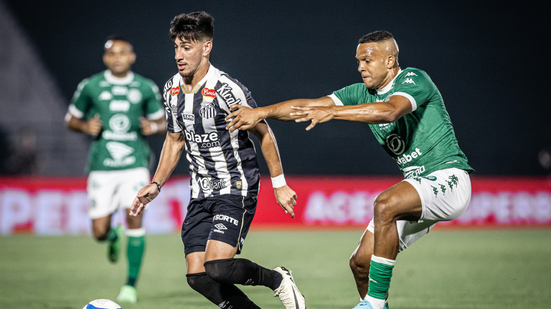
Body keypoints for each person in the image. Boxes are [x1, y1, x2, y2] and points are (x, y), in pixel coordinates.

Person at [225, 30, 474, 309]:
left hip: (448, 178)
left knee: (384, 204)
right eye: (358, 61)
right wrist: (262, 113)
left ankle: (375, 304)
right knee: (360, 263)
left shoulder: (414, 79)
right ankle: (374, 303)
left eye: (367, 60)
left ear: (390, 61)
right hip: (418, 186)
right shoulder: (360, 93)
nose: (360, 67)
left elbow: (389, 110)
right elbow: (307, 106)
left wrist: (333, 112)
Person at [130, 12, 306, 309]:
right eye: (176, 47)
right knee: (198, 276)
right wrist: (156, 183)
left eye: (187, 47)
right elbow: (174, 140)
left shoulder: (226, 90)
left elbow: (264, 133)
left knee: (218, 268)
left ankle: (277, 279)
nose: (179, 55)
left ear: (206, 47)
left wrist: (279, 185)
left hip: (235, 187)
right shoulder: (171, 89)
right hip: (200, 192)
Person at [64, 35, 166, 303]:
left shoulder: (144, 87)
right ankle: (111, 236)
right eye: (112, 53)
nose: (117, 57)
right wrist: (85, 126)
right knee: (98, 232)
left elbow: (163, 122)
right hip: (102, 167)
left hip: (134, 165)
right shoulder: (91, 86)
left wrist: (152, 127)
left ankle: (130, 286)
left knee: (135, 220)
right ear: (105, 58)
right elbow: (70, 119)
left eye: (123, 53)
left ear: (132, 57)